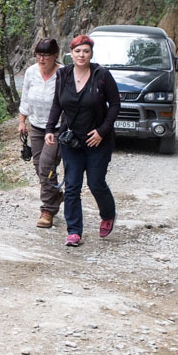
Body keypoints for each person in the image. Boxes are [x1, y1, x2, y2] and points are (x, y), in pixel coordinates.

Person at [45, 34, 120, 247]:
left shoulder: (102, 75)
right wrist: (51, 128)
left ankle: (108, 214)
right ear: (71, 53)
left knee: (96, 183)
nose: (81, 55)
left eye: (86, 51)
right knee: (72, 186)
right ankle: (74, 231)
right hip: (72, 141)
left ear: (91, 54)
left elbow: (115, 105)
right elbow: (57, 104)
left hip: (98, 141)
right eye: (78, 51)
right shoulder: (64, 75)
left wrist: (102, 131)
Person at [17, 38, 64, 228]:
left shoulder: (63, 74)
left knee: (46, 166)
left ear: (55, 56)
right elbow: (26, 97)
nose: (41, 59)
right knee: (39, 166)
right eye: (38, 55)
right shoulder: (31, 72)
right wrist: (22, 121)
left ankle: (47, 210)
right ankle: (56, 195)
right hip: (36, 125)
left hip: (58, 128)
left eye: (45, 55)